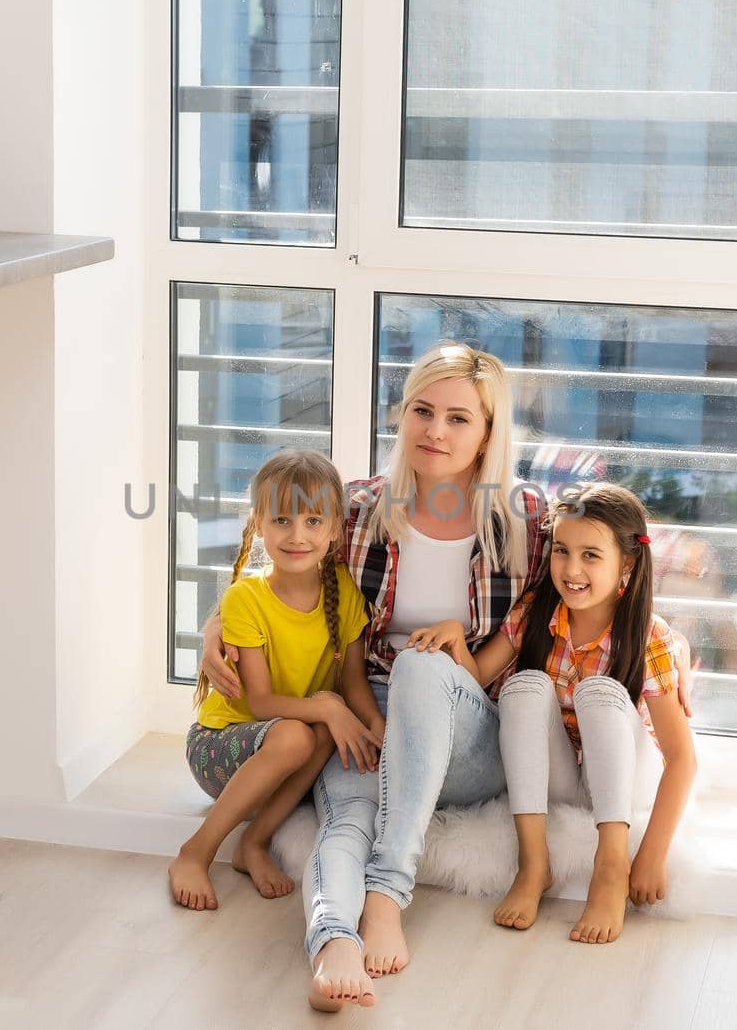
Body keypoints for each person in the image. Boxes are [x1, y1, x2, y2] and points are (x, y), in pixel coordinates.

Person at [198, 343, 695, 1012]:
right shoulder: (360, 508)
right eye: (422, 411)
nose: (436, 429)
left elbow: (604, 572)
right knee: (346, 815)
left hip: (476, 730)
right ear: (401, 417)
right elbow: (278, 564)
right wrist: (213, 627)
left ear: (489, 431)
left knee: (423, 666)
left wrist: (672, 634)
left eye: (459, 418)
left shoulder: (526, 518)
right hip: (370, 705)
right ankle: (332, 943)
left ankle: (386, 894)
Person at [416, 482, 696, 943]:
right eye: (562, 551)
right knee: (524, 686)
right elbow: (478, 679)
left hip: (625, 781)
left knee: (602, 692)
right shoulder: (535, 613)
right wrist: (452, 637)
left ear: (626, 564)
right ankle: (533, 865)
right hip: (565, 781)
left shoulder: (650, 638)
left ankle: (610, 868)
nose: (572, 569)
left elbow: (683, 760)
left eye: (591, 555)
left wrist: (651, 853)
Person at [171, 449, 382, 936]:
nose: (297, 535)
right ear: (260, 524)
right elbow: (261, 704)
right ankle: (195, 852)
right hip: (219, 748)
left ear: (334, 532)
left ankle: (254, 844)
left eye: (313, 520)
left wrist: (376, 726)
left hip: (287, 742)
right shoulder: (247, 598)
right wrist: (326, 707)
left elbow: (352, 682)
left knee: (319, 734)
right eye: (282, 519)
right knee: (299, 734)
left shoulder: (345, 594)